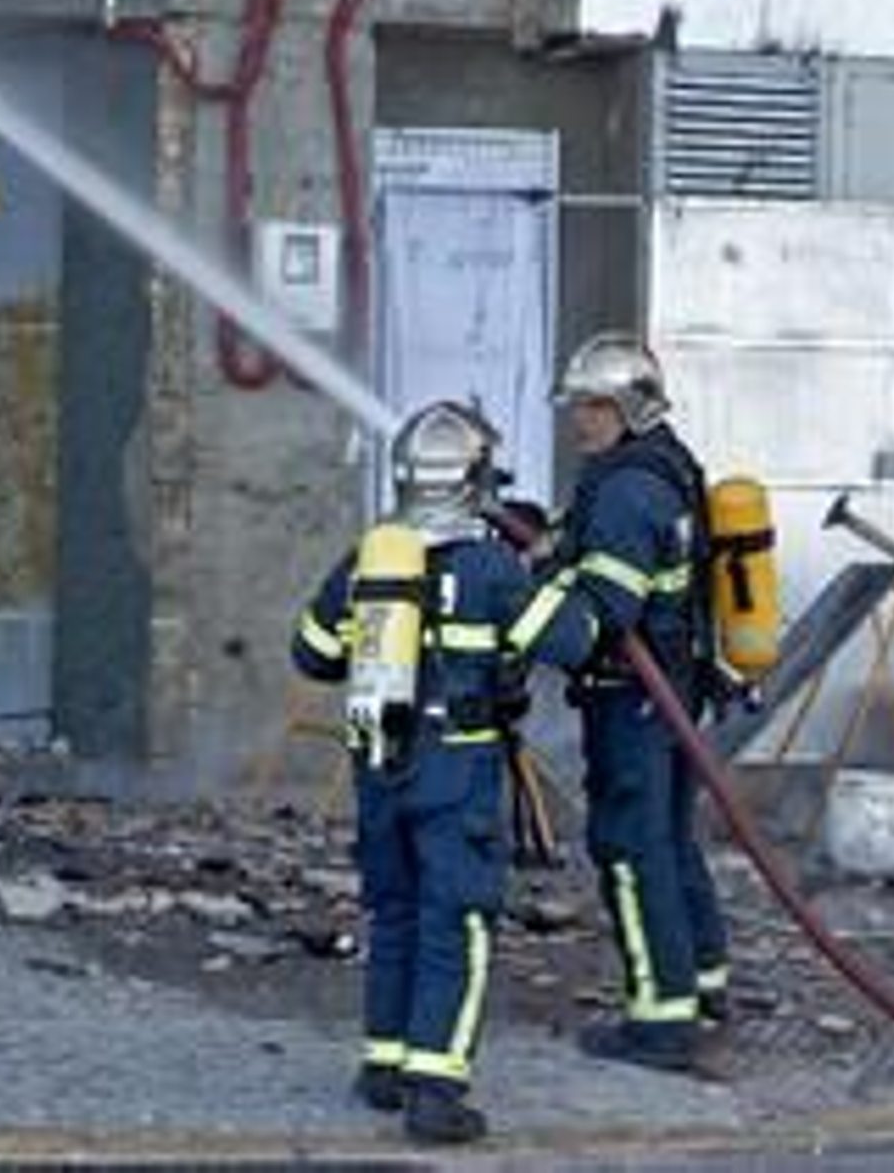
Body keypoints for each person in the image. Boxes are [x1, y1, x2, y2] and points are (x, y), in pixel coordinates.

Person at [292, 398, 587, 1147]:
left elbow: (311, 653)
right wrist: (550, 569)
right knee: (457, 920)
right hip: (456, 767)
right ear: (472, 481)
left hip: (378, 760)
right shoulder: (490, 568)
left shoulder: (368, 557)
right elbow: (573, 640)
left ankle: (383, 1067)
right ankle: (437, 1088)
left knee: (394, 911)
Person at [505, 332, 730, 1075]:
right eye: (577, 406)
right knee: (669, 836)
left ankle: (659, 1021)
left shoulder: (630, 488)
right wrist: (544, 538)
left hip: (636, 696)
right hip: (670, 692)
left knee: (632, 849)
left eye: (592, 407)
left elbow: (599, 616)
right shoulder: (658, 465)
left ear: (627, 407)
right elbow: (592, 549)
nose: (579, 420)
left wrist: (518, 607)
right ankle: (701, 982)